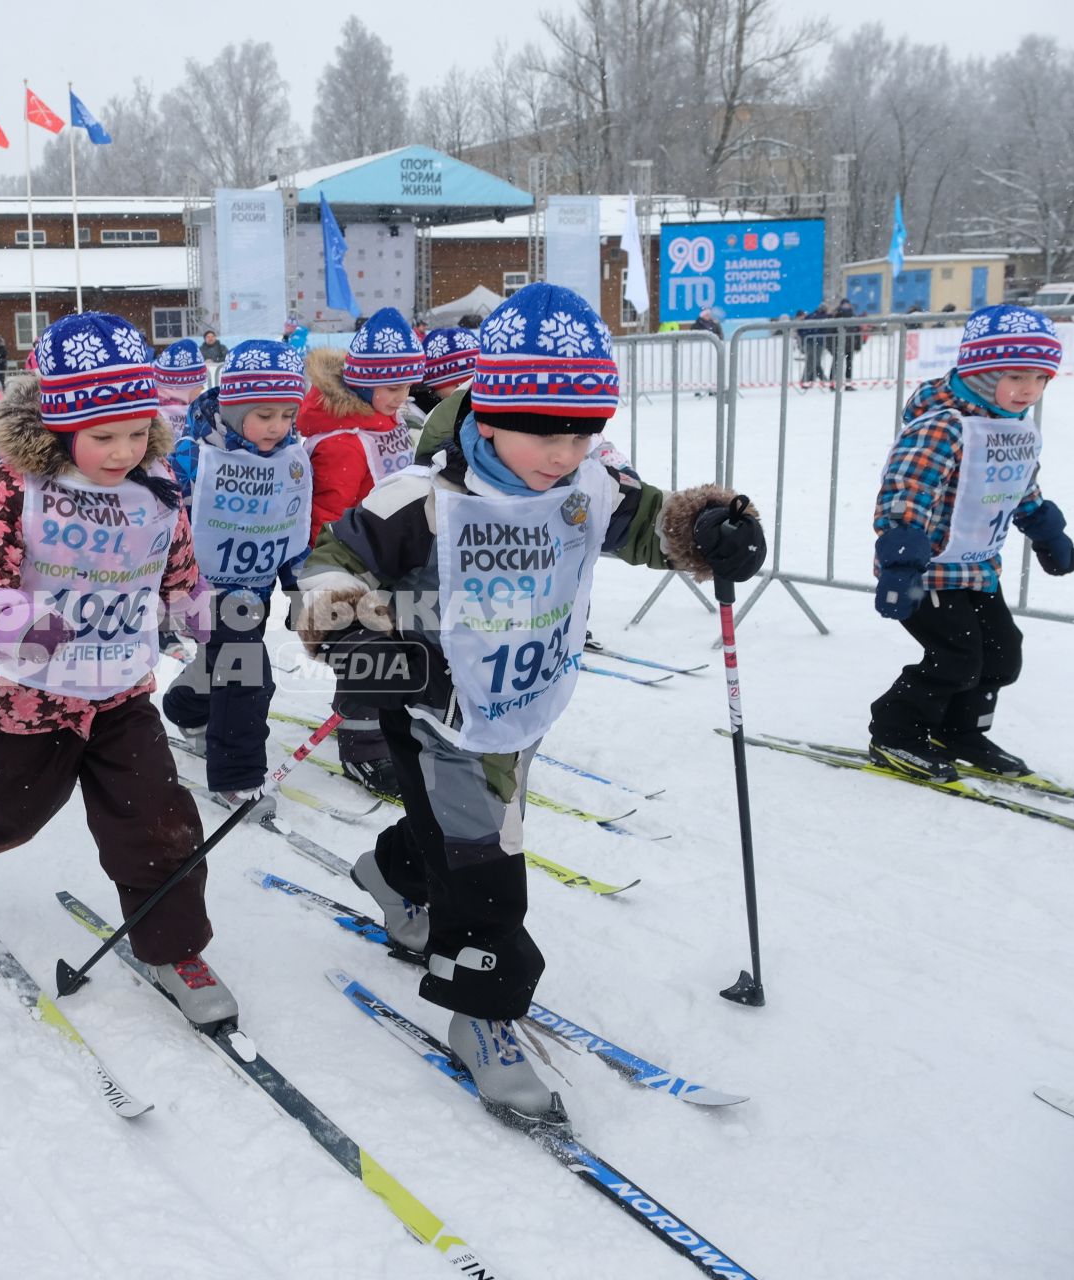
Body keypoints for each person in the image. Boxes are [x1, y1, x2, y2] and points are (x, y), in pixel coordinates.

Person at [294, 282, 766, 1124]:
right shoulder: (425, 495)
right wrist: (354, 628)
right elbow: (335, 560)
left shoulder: (588, 482)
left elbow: (651, 524)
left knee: (452, 833)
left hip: (523, 696)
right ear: (491, 411)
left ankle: (391, 871)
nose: (565, 450)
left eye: (584, 429)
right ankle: (483, 1011)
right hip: (435, 705)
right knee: (487, 870)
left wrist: (709, 529)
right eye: (545, 432)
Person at [0, 313, 234, 1026]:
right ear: (62, 428)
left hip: (120, 688)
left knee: (157, 819)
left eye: (136, 432)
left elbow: (176, 561)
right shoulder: (11, 489)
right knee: (15, 812)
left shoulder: (154, 484)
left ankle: (174, 944)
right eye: (104, 437)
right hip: (25, 696)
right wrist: (14, 620)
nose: (124, 451)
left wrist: (201, 614)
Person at [867, 305, 1074, 781]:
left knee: (1003, 654)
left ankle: (960, 731)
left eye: (1041, 378)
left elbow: (1018, 487)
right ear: (981, 374)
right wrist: (901, 560)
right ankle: (897, 734)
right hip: (927, 569)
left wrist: (1046, 529)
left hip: (977, 568)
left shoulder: (1015, 427)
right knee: (956, 658)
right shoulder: (943, 426)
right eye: (1016, 375)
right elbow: (908, 490)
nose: (1029, 389)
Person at [164, 340, 311, 817]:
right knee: (250, 676)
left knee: (225, 662)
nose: (277, 427)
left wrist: (298, 591)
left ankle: (186, 708)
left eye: (287, 415)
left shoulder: (291, 459)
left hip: (254, 588)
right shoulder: (193, 453)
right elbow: (159, 513)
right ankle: (237, 777)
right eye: (264, 414)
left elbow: (292, 528)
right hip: (201, 588)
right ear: (235, 406)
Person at [297, 307, 425, 799]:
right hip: (348, 563)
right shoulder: (346, 442)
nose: (402, 397)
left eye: (407, 387)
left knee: (397, 652)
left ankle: (391, 729)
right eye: (392, 388)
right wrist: (334, 581)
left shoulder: (383, 423)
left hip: (388, 557)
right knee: (364, 657)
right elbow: (328, 513)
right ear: (364, 385)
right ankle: (363, 749)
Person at [409, 326, 479, 424]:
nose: (470, 390)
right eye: (459, 385)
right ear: (433, 387)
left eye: (476, 381)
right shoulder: (419, 419)